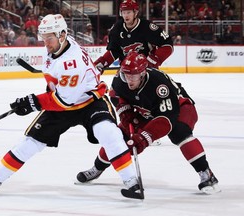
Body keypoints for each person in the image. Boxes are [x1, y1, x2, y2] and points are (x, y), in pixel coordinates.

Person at [0, 14, 140, 199]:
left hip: (89, 102)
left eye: (49, 38)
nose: (46, 43)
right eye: (43, 38)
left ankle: (131, 181)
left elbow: (64, 100)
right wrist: (34, 100)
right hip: (65, 101)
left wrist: (32, 102)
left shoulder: (71, 63)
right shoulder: (62, 43)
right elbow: (60, 89)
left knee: (109, 133)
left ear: (62, 35)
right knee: (30, 144)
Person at [77, 51, 221, 194]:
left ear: (143, 73)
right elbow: (116, 97)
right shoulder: (120, 80)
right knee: (119, 136)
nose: (130, 80)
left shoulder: (159, 84)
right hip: (146, 110)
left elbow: (167, 119)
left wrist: (144, 138)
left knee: (179, 133)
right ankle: (97, 168)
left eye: (133, 75)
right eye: (127, 74)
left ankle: (207, 173)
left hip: (179, 108)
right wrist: (125, 113)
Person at [94, 0, 173, 74]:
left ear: (135, 13)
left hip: (146, 71)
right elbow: (114, 51)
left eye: (128, 12)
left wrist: (154, 59)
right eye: (124, 12)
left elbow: (167, 44)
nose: (126, 15)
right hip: (125, 71)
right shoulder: (117, 28)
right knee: (115, 88)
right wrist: (103, 61)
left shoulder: (147, 27)